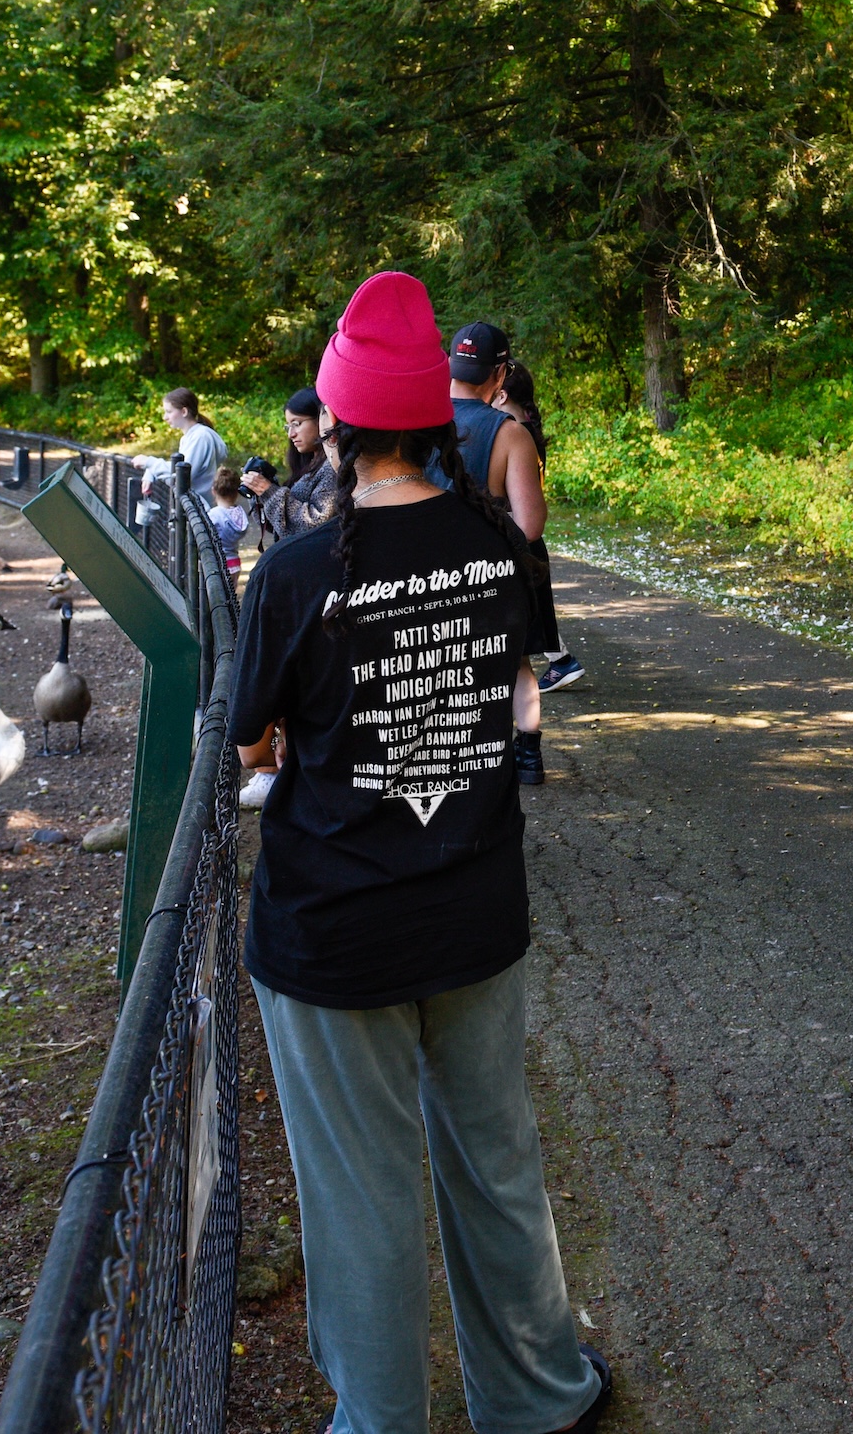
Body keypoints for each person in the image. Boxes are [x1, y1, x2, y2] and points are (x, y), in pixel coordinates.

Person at [233, 269, 610, 1434]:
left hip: (334, 929)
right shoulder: (497, 545)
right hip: (477, 907)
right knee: (497, 1165)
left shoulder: (298, 573)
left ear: (337, 426)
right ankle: (536, 1395)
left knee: (362, 1197)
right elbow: (517, 699)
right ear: (439, 421)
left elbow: (252, 735)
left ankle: (383, 1419)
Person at [441, 324, 557, 784]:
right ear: (500, 373)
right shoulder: (510, 434)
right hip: (494, 569)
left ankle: (459, 758)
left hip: (427, 565)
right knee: (516, 663)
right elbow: (529, 525)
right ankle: (527, 757)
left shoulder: (415, 423)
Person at [494, 361, 585, 691]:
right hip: (525, 535)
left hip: (520, 535)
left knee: (528, 617)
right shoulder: (525, 427)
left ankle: (560, 662)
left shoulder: (513, 434)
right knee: (534, 613)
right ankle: (560, 661)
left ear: (502, 395)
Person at [137, 387, 230, 511]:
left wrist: (148, 462)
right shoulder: (192, 436)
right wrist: (150, 472)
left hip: (201, 514)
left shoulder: (200, 437)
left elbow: (182, 476)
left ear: (184, 412)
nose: (165, 417)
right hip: (196, 510)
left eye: (169, 411)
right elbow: (177, 469)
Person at [272, 387, 341, 543]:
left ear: (323, 418)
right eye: (288, 427)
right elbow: (280, 526)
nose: (291, 434)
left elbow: (313, 524)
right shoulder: (309, 462)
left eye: (297, 424)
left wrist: (269, 492)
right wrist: (262, 493)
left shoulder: (333, 466)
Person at [208, 465, 252, 569]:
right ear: (238, 493)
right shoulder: (239, 513)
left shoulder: (213, 515)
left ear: (213, 491)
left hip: (218, 561)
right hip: (234, 561)